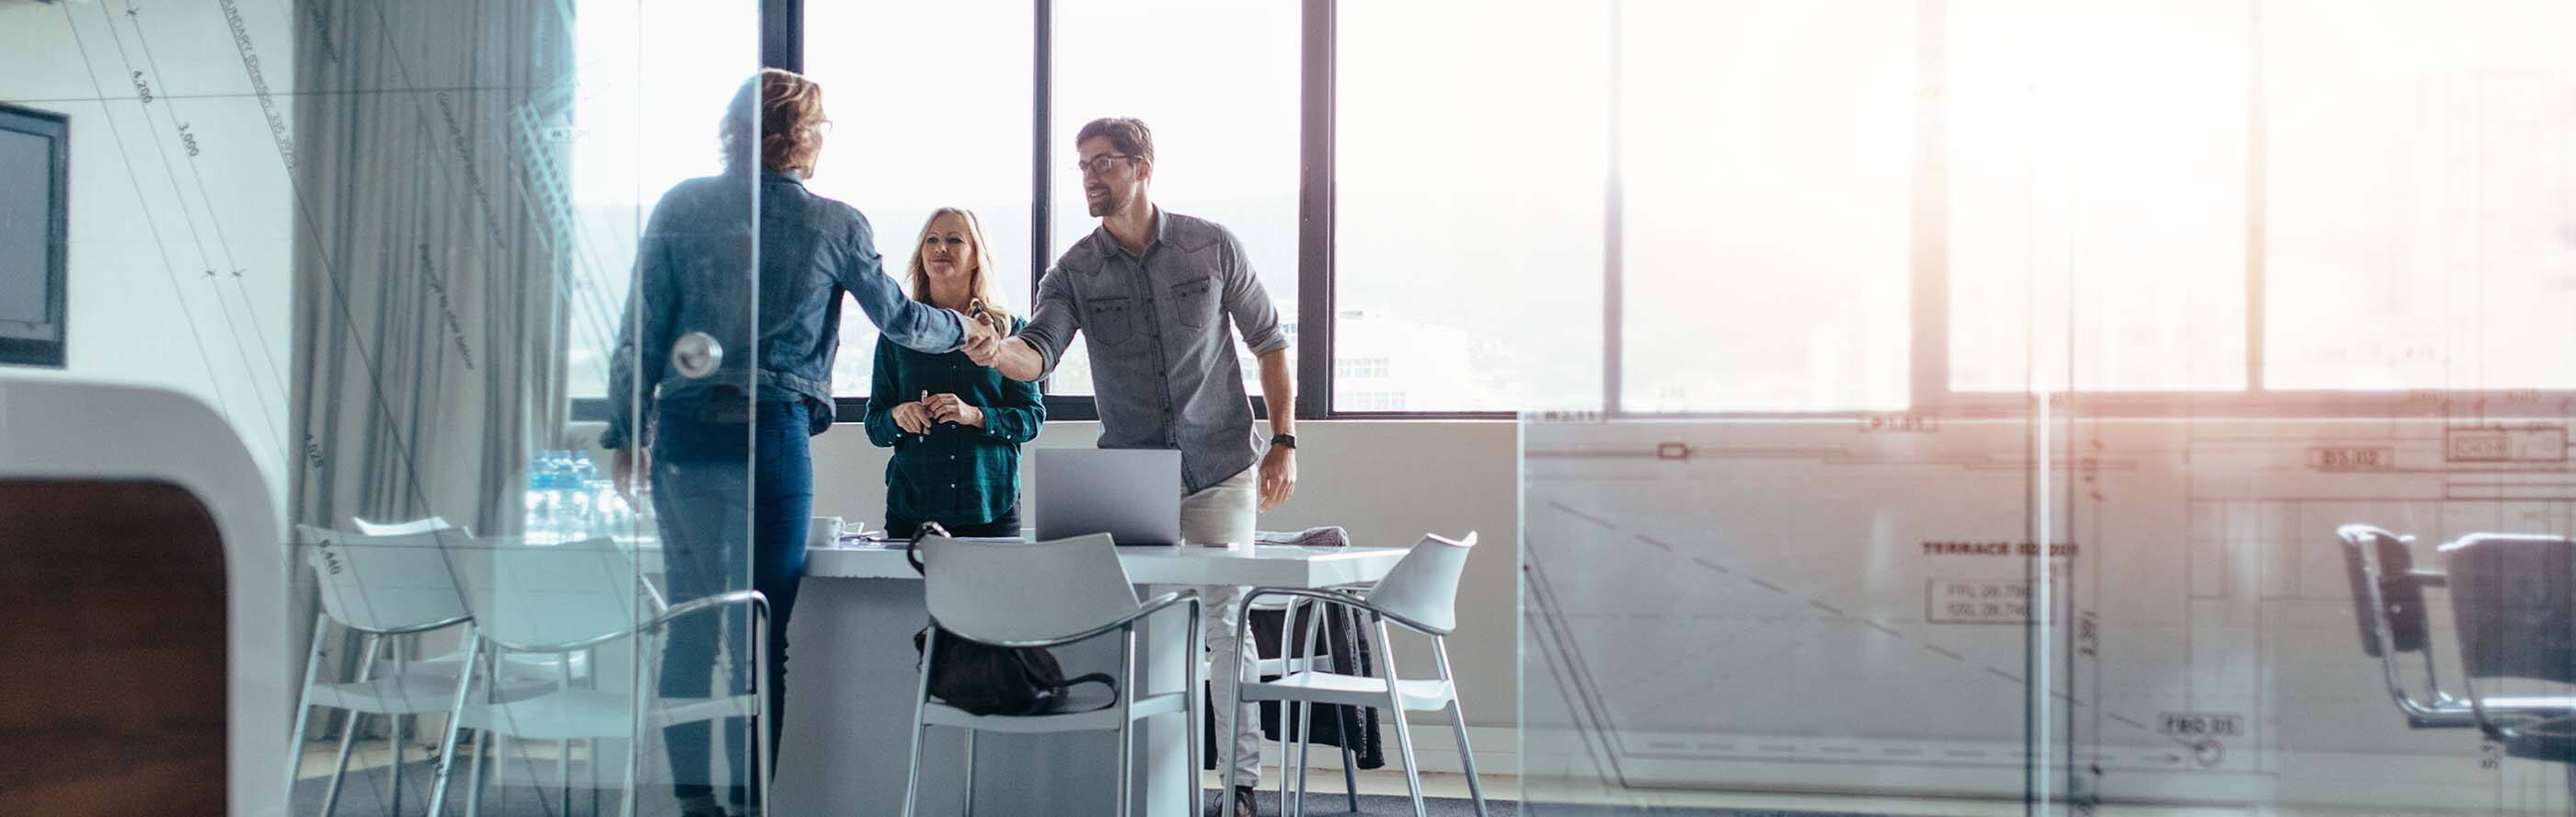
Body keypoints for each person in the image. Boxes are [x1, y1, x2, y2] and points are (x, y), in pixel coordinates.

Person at [599, 68, 996, 817]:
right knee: (761, 634)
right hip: (773, 437)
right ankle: (749, 809)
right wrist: (967, 331)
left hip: (685, 435)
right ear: (807, 137)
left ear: (733, 128)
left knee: (691, 629)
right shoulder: (836, 223)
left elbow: (640, 329)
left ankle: (698, 808)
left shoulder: (682, 205)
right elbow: (903, 320)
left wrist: (628, 430)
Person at [962, 116, 1297, 817]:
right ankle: (1143, 784)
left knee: (1226, 623)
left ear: (1144, 165)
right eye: (1082, 164)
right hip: (1132, 479)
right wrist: (996, 353)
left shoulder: (1211, 246)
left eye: (1104, 162)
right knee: (1132, 625)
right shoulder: (1075, 271)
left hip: (1221, 467)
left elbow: (1269, 342)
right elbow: (1039, 353)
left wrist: (1285, 440)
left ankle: (1237, 788)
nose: (1089, 175)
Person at [863, 208, 1043, 537]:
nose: (940, 248)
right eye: (931, 240)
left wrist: (976, 416)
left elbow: (1031, 420)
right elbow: (875, 425)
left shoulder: (1009, 330)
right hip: (913, 509)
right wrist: (898, 416)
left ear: (976, 257)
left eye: (954, 240)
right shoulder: (897, 335)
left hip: (991, 507)